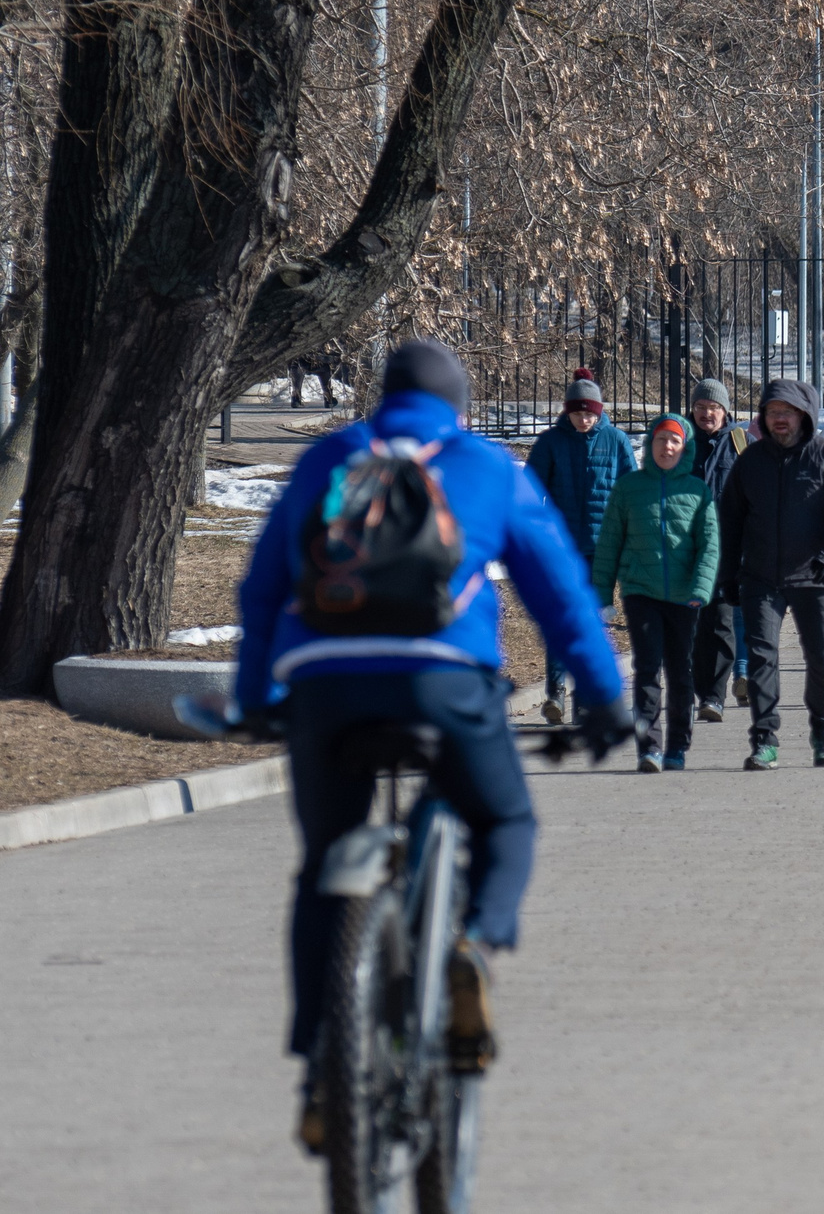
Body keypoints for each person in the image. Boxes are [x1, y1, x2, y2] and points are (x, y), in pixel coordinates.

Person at [233, 340, 631, 1151]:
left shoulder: (330, 458)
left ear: (384, 398)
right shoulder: (485, 465)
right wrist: (604, 700)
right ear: (460, 404)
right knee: (506, 818)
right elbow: (561, 592)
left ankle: (320, 1069)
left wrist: (256, 698)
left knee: (321, 868)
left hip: (324, 684)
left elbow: (264, 584)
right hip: (443, 681)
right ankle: (473, 946)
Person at [718, 379, 824, 769]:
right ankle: (765, 739)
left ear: (804, 415)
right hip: (760, 576)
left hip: (815, 574)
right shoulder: (751, 461)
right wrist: (728, 574)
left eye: (788, 412)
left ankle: (823, 733)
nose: (779, 419)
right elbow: (729, 521)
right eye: (772, 412)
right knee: (761, 658)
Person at [592, 413, 720, 771]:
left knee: (679, 671)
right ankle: (648, 747)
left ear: (684, 448)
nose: (667, 447)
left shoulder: (697, 492)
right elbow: (609, 544)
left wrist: (701, 587)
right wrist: (602, 595)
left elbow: (709, 546)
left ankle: (677, 744)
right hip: (641, 591)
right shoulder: (629, 489)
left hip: (684, 596)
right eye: (661, 439)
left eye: (674, 441)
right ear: (651, 444)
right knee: (647, 668)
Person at [523, 368, 635, 723]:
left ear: (599, 412)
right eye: (577, 413)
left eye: (590, 414)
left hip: (603, 548)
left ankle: (585, 698)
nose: (584, 420)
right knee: (564, 618)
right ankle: (555, 692)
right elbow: (528, 492)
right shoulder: (551, 442)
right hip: (563, 547)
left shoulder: (616, 441)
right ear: (567, 412)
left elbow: (631, 491)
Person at [687, 378, 753, 723]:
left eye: (713, 407)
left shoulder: (741, 444)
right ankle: (696, 689)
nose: (706, 413)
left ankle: (714, 697)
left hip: (728, 551)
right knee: (693, 624)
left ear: (725, 411)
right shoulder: (680, 441)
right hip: (687, 550)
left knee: (722, 622)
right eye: (700, 407)